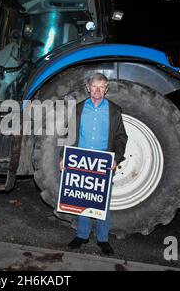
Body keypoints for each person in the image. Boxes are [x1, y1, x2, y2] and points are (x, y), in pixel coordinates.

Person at [59, 74, 127, 255]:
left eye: (102, 87)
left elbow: (121, 137)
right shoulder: (79, 108)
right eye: (94, 86)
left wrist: (116, 158)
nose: (97, 90)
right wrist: (63, 157)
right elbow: (69, 134)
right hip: (81, 160)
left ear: (106, 89)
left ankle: (103, 239)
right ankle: (82, 235)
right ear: (88, 88)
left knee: (101, 202)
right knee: (82, 198)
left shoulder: (114, 110)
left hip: (103, 162)